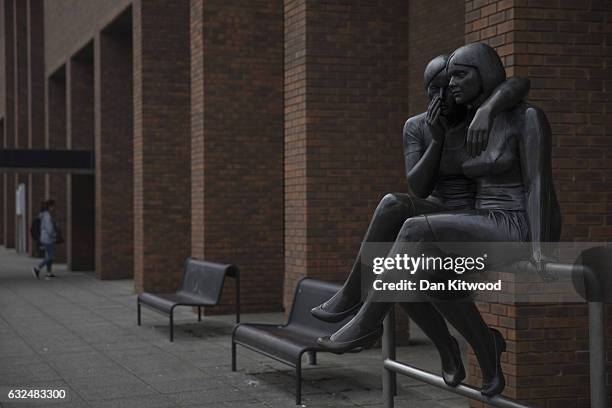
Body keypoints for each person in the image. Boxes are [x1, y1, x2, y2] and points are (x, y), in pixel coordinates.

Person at [316, 43, 561, 398]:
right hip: (480, 219)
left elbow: (540, 181)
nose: (450, 88)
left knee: (410, 234)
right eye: (444, 81)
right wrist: (478, 112)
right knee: (411, 269)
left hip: (513, 224)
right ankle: (481, 347)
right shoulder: (466, 117)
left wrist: (541, 251)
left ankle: (367, 324)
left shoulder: (521, 117)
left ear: (483, 73)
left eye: (459, 76)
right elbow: (421, 182)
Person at [32, 200, 58, 279]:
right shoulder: (47, 216)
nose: (54, 208)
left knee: (48, 256)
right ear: (50, 207)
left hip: (44, 238)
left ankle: (48, 273)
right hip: (48, 238)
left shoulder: (43, 215)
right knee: (51, 257)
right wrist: (54, 235)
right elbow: (49, 228)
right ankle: (37, 268)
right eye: (53, 206)